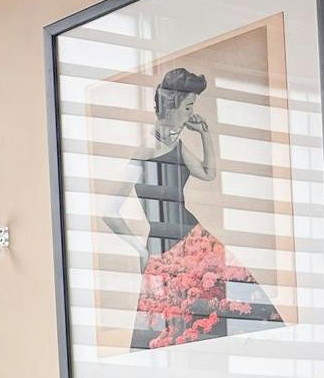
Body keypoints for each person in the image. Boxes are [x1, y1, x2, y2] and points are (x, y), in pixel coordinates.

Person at [99, 67, 284, 350]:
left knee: (238, 309)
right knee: (175, 329)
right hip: (164, 250)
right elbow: (109, 210)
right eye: (187, 107)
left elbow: (208, 174)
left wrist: (205, 134)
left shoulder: (176, 143)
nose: (190, 114)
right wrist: (140, 250)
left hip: (196, 240)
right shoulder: (144, 152)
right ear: (172, 105)